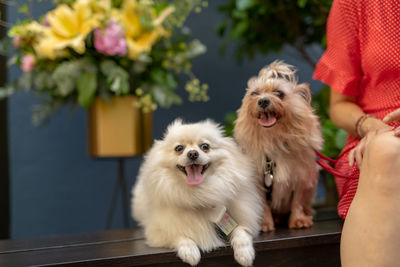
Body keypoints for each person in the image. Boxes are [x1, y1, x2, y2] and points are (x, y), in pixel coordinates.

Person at [313, 0, 400, 266]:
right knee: (388, 151)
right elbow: (339, 107)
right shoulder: (355, 4)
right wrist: (370, 126)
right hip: (376, 137)